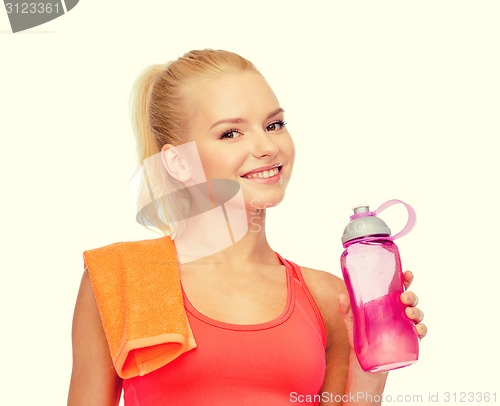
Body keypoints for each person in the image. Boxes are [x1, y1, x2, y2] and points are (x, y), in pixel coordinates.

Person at [68, 49, 427, 406]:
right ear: (177, 162)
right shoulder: (123, 280)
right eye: (230, 133)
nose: (267, 147)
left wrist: (370, 367)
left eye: (274, 125)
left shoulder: (328, 299)